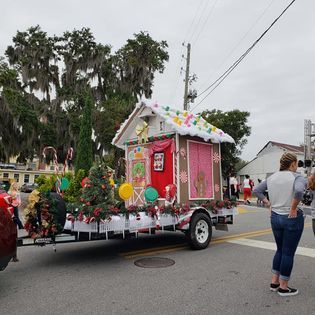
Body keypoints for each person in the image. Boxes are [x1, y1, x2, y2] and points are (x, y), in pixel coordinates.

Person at [254, 152, 307, 297]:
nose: (297, 166)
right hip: (291, 217)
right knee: (288, 252)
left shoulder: (271, 177)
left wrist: (268, 203)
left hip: (275, 216)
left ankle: (274, 282)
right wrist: (294, 207)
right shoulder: (298, 177)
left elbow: (256, 190)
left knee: (280, 249)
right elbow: (299, 190)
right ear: (292, 164)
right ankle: (284, 287)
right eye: (296, 164)